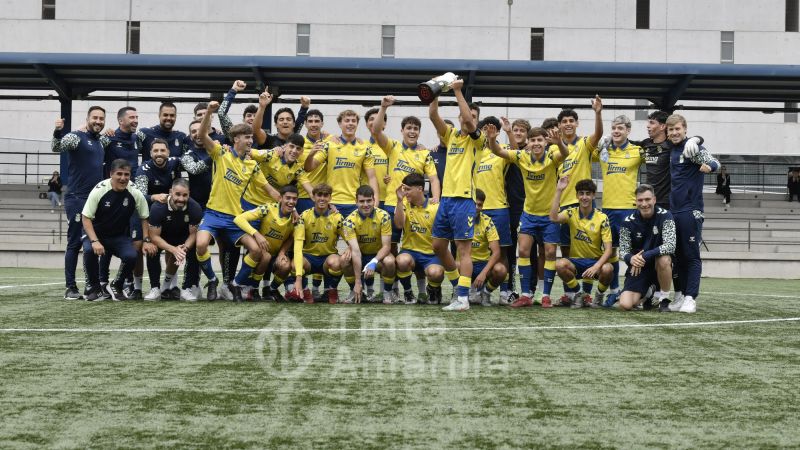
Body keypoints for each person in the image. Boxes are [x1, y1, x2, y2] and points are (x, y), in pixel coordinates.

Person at [485, 125, 567, 308]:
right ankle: (525, 295)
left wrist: (559, 141)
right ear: (528, 143)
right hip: (528, 214)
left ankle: (545, 294)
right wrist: (491, 138)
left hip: (549, 216)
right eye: (533, 140)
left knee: (550, 252)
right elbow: (498, 151)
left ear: (546, 142)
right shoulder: (521, 156)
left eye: (540, 140)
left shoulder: (552, 157)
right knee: (522, 251)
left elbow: (566, 153)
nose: (536, 143)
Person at [428, 76, 485, 312]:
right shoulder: (451, 135)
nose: (466, 117)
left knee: (463, 250)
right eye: (463, 114)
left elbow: (471, 124)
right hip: (447, 200)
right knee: (438, 246)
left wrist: (459, 92)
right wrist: (436, 90)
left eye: (471, 115)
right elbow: (433, 115)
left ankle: (462, 299)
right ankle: (459, 287)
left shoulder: (478, 139)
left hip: (464, 200)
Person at [194, 101, 259, 301]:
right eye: (247, 137)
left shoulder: (251, 164)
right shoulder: (222, 153)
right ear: (236, 139)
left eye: (251, 137)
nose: (250, 141)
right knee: (201, 245)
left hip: (234, 218)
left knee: (256, 250)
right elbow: (202, 135)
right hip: (213, 213)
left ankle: (235, 284)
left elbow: (268, 188)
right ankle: (212, 280)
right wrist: (210, 113)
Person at [51, 106, 111, 300]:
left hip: (96, 201)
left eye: (101, 119)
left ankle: (93, 286)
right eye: (95, 118)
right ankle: (70, 287)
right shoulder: (76, 136)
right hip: (77, 199)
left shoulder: (101, 141)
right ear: (87, 119)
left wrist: (112, 132)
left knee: (93, 244)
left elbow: (117, 136)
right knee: (74, 243)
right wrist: (58, 131)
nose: (98, 121)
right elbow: (56, 147)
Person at [665, 114, 719, 314]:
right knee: (676, 256)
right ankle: (679, 295)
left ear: (684, 129)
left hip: (691, 209)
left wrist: (709, 166)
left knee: (691, 256)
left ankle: (690, 298)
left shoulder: (692, 148)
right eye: (671, 130)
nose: (674, 133)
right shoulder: (673, 149)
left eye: (677, 129)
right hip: (674, 210)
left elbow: (715, 163)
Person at [553, 98, 603, 303]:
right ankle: (572, 293)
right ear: (559, 125)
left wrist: (598, 113)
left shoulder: (584, 143)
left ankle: (588, 294)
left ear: (576, 123)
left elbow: (598, 134)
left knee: (591, 248)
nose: (568, 124)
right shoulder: (555, 150)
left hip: (584, 202)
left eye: (571, 120)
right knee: (566, 251)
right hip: (565, 205)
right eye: (564, 121)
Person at [80, 159, 151, 301]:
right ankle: (94, 288)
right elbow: (86, 217)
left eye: (127, 174)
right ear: (111, 174)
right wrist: (94, 241)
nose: (123, 178)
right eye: (119, 174)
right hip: (96, 233)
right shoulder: (99, 190)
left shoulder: (135, 192)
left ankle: (117, 284)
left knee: (132, 256)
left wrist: (146, 240)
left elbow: (144, 217)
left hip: (118, 235)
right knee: (88, 250)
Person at [594, 115, 645, 306]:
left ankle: (636, 291)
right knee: (611, 251)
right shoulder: (604, 150)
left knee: (633, 252)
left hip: (629, 209)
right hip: (607, 209)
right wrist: (599, 146)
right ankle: (614, 291)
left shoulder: (638, 151)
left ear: (628, 131)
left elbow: (658, 160)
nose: (616, 131)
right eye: (614, 128)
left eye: (620, 128)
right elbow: (584, 154)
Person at [549, 177, 614, 308]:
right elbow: (553, 217)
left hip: (595, 261)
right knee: (560, 264)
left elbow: (608, 250)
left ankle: (599, 296)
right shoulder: (571, 213)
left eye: (588, 194)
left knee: (608, 268)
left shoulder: (602, 218)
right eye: (581, 193)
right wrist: (559, 190)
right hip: (576, 262)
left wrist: (596, 267)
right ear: (577, 195)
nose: (584, 197)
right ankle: (579, 293)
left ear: (594, 196)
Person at [304, 109, 380, 218]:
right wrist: (311, 154)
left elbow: (372, 177)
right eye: (347, 120)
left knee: (353, 235)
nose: (350, 123)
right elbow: (308, 168)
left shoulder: (364, 147)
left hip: (355, 202)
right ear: (340, 124)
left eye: (353, 121)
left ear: (357, 124)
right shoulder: (329, 145)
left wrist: (375, 202)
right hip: (332, 202)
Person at [232, 185, 300, 302]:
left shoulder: (296, 219)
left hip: (275, 255)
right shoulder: (267, 209)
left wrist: (282, 253)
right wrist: (256, 234)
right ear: (280, 198)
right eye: (288, 198)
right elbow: (238, 219)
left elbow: (291, 238)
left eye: (294, 199)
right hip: (261, 254)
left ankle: (272, 289)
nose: (291, 201)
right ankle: (252, 288)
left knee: (286, 266)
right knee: (266, 256)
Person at [618, 184, 676, 311]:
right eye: (640, 200)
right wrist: (631, 258)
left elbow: (671, 245)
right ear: (635, 201)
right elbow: (622, 251)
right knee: (625, 305)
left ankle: (663, 299)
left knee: (664, 259)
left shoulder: (666, 215)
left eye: (647, 199)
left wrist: (645, 255)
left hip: (658, 264)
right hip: (639, 267)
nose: (644, 204)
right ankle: (650, 293)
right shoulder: (627, 221)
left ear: (654, 200)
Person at [473, 116, 512, 303]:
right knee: (468, 250)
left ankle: (504, 291)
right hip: (474, 208)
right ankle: (468, 289)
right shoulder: (472, 152)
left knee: (502, 252)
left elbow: (517, 152)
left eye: (492, 129)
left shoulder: (501, 151)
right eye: (485, 129)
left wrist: (508, 131)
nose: (488, 132)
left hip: (498, 208)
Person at [144, 178, 203, 301]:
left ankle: (186, 288)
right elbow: (154, 236)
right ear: (171, 192)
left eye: (184, 195)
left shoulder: (195, 208)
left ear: (189, 194)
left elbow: (193, 234)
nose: (181, 199)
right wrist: (173, 249)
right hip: (162, 237)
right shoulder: (158, 207)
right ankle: (155, 288)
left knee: (195, 249)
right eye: (177, 194)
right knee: (151, 248)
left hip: (183, 238)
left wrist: (184, 248)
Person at [287, 183, 346, 304]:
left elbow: (350, 238)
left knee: (338, 262)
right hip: (309, 258)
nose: (322, 198)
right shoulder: (304, 216)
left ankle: (331, 290)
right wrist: (298, 278)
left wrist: (350, 247)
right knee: (294, 265)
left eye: (326, 195)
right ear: (313, 197)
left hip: (327, 258)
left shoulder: (338, 217)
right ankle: (305, 291)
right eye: (319, 195)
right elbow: (297, 247)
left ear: (330, 198)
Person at [394, 173, 445, 305]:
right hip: (410, 252)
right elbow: (399, 225)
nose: (405, 193)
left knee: (436, 273)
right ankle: (408, 292)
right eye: (404, 189)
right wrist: (399, 200)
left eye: (408, 189)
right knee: (401, 261)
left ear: (420, 189)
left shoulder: (435, 207)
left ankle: (433, 290)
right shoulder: (403, 204)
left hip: (430, 254)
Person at [340, 185, 396, 303]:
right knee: (344, 259)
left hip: (379, 256)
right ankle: (354, 290)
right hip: (360, 255)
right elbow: (355, 251)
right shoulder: (349, 221)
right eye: (361, 201)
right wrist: (357, 281)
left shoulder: (384, 216)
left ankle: (387, 292)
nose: (365, 204)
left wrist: (374, 261)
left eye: (369, 200)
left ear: (374, 200)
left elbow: (386, 247)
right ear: (356, 202)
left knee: (390, 261)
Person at [464, 189, 507, 306]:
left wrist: (483, 273)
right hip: (466, 263)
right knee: (456, 264)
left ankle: (486, 292)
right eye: (474, 204)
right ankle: (464, 292)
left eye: (480, 205)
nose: (477, 207)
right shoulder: (460, 219)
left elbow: (496, 252)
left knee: (501, 270)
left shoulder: (487, 221)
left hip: (483, 264)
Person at [296, 109, 331, 213]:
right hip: (302, 196)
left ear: (322, 124)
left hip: (323, 196)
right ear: (305, 124)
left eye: (317, 121)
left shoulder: (329, 141)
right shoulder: (299, 143)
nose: (313, 124)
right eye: (310, 121)